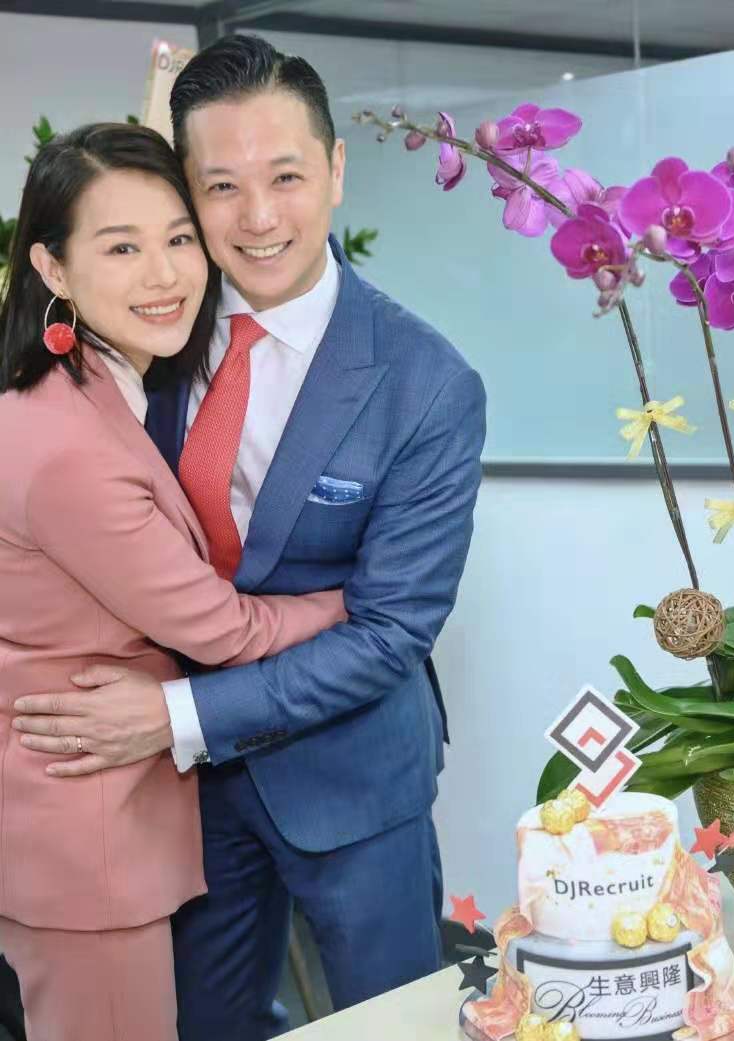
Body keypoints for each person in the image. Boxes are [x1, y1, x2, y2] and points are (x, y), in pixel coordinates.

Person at [13, 34, 487, 1038]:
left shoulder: (426, 383)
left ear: (337, 170)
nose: (258, 217)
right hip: (175, 795)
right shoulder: (150, 326)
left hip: (349, 777)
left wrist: (176, 714)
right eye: (220, 187)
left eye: (286, 177)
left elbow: (391, 633)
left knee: (392, 1026)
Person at [0, 122, 349, 1041]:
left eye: (179, 238)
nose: (164, 275)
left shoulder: (83, 393)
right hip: (87, 834)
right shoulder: (68, 446)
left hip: (79, 814)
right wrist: (361, 603)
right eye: (121, 247)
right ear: (52, 266)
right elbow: (223, 630)